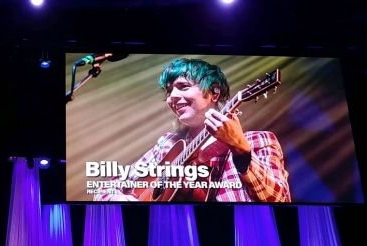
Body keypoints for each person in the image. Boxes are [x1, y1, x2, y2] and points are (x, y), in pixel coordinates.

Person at [93, 58, 291, 202]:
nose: (172, 97)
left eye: (183, 86)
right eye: (169, 91)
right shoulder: (168, 144)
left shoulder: (259, 140)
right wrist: (118, 199)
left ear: (214, 93)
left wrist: (241, 150)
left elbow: (280, 200)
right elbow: (104, 187)